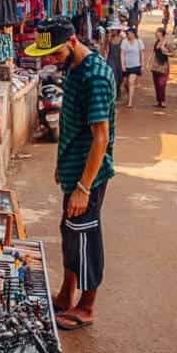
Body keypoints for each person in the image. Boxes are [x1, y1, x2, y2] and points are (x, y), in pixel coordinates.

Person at [24, 18, 115, 330]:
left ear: (73, 41)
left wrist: (83, 186)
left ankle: (86, 306)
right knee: (70, 232)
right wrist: (62, 166)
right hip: (73, 169)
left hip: (87, 177)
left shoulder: (95, 77)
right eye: (46, 55)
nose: (51, 60)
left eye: (55, 53)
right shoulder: (75, 69)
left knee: (87, 237)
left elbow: (100, 137)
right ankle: (65, 294)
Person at [120, 28, 144, 107]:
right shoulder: (124, 42)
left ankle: (130, 102)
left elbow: (141, 54)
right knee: (126, 84)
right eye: (127, 34)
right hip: (127, 66)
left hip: (136, 65)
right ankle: (129, 94)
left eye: (129, 33)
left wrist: (142, 65)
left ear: (133, 34)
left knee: (131, 82)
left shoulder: (139, 42)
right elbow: (122, 54)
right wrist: (123, 65)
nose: (128, 35)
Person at [150, 28, 173, 107]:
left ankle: (162, 101)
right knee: (156, 84)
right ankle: (158, 101)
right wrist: (150, 63)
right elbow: (153, 54)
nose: (156, 34)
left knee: (162, 85)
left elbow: (173, 53)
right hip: (155, 66)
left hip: (163, 66)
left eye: (157, 32)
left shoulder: (166, 43)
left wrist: (165, 52)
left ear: (161, 33)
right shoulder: (156, 42)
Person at [105, 25, 124, 97]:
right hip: (111, 59)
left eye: (114, 30)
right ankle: (113, 93)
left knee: (120, 77)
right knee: (113, 76)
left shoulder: (122, 39)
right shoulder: (109, 38)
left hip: (120, 60)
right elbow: (105, 49)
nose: (112, 31)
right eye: (112, 30)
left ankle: (117, 90)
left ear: (118, 31)